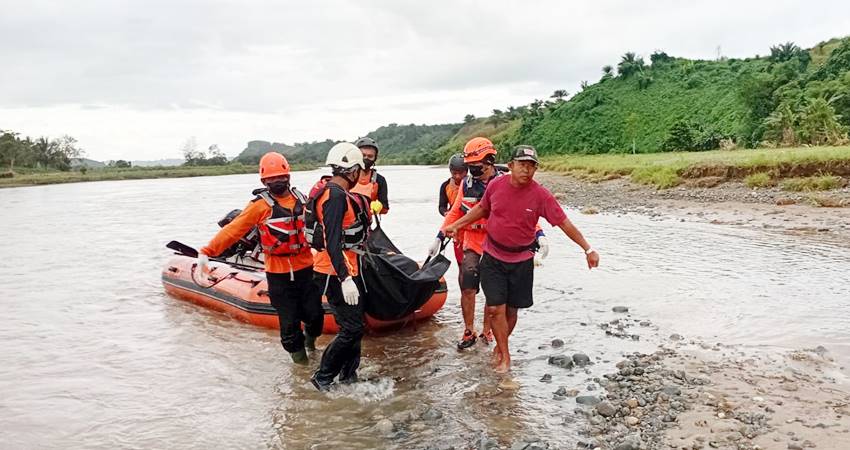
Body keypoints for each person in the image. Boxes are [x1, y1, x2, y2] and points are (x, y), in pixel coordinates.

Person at [444, 145, 600, 373]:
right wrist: (456, 225)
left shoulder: (541, 195)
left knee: (511, 311)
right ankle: (505, 356)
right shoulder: (496, 185)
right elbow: (482, 209)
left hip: (521, 260)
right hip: (493, 256)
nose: (526, 170)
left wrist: (588, 249)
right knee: (495, 308)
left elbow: (564, 223)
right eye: (522, 164)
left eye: (531, 166)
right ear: (511, 165)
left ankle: (500, 346)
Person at [197, 152, 321, 365]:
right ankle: (302, 366)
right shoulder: (259, 206)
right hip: (278, 275)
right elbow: (234, 230)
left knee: (315, 316)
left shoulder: (302, 200)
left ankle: (311, 347)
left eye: (281, 177)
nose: (277, 181)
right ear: (264, 181)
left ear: (288, 176)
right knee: (289, 326)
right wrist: (206, 251)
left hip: (306, 270)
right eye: (271, 179)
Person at [310, 142, 372, 391]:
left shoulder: (334, 192)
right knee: (352, 329)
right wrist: (345, 278)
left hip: (345, 269)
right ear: (353, 170)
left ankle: (348, 376)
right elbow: (332, 240)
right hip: (334, 272)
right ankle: (323, 377)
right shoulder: (335, 196)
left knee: (356, 327)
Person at [438, 153, 468, 267]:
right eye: (454, 173)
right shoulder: (445, 186)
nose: (458, 176)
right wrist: (446, 213)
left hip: (470, 227)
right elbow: (441, 206)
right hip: (456, 228)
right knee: (461, 263)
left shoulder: (473, 185)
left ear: (467, 171)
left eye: (461, 173)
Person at [352, 137, 389, 216]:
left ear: (375, 158)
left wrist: (380, 206)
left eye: (370, 156)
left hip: (365, 220)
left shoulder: (379, 180)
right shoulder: (346, 175)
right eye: (363, 155)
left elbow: (385, 208)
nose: (366, 158)